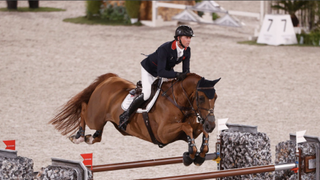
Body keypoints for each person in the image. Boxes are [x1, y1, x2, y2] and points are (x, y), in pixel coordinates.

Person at [119, 25, 194, 131]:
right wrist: (177, 75)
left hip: (166, 69)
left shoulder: (187, 50)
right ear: (178, 38)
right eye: (186, 37)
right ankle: (125, 116)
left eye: (190, 38)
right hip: (150, 70)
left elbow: (186, 71)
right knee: (147, 94)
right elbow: (161, 72)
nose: (189, 40)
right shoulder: (165, 49)